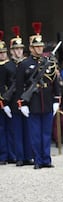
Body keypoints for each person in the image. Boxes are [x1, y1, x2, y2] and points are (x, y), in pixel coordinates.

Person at [16, 22, 61, 169]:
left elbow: (55, 81)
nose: (39, 48)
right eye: (36, 47)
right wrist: (22, 103)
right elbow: (19, 86)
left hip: (47, 100)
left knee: (46, 133)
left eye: (41, 46)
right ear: (31, 48)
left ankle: (46, 159)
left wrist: (56, 99)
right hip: (33, 101)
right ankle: (37, 160)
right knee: (35, 134)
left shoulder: (49, 62)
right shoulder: (24, 64)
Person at [8, 26, 34, 167]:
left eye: (20, 49)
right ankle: (19, 157)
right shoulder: (9, 66)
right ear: (12, 51)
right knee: (17, 131)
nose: (18, 51)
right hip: (13, 102)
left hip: (27, 100)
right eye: (16, 49)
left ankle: (28, 156)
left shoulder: (26, 64)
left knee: (28, 130)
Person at [0, 30, 14, 165]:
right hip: (1, 102)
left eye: (3, 52)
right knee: (1, 130)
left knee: (11, 129)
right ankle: (3, 155)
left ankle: (11, 154)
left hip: (9, 101)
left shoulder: (10, 65)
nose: (2, 55)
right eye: (0, 53)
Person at [52, 69, 63, 147]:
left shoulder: (61, 81)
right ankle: (57, 140)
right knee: (56, 125)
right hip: (54, 105)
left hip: (62, 105)